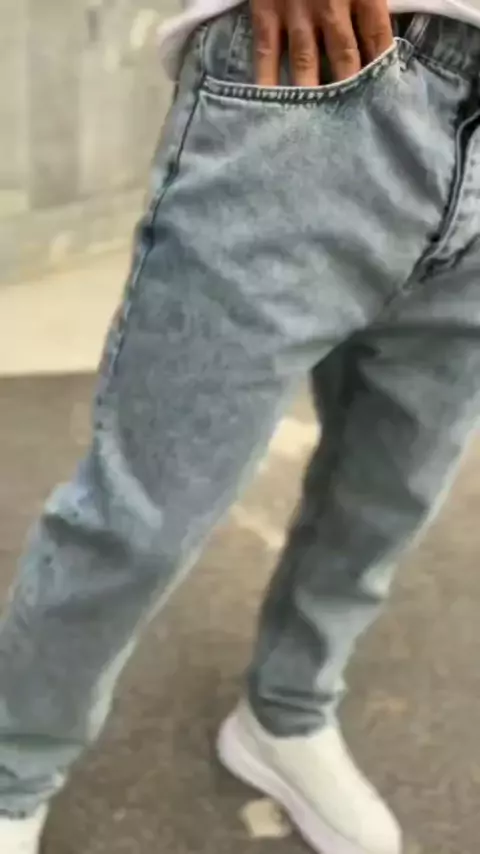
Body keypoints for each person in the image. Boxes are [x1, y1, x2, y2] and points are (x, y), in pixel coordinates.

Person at [3, 0, 480, 850]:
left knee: (387, 498)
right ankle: (11, 772)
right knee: (141, 517)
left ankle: (287, 715)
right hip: (317, 85)